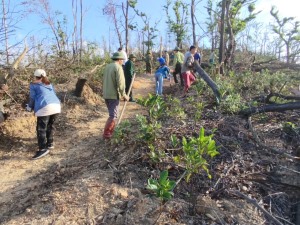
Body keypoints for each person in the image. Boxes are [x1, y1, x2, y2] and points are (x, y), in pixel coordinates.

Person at [26, 69, 61, 159]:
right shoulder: (49, 84)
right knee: (50, 125)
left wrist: (29, 107)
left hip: (45, 107)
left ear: (35, 76)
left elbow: (32, 98)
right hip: (56, 105)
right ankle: (50, 143)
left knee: (41, 129)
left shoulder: (33, 85)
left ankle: (42, 149)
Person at [102, 52, 129, 139]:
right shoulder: (118, 67)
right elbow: (121, 83)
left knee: (112, 114)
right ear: (120, 59)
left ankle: (110, 132)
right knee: (113, 115)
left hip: (106, 94)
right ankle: (107, 134)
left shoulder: (107, 66)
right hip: (113, 95)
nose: (123, 62)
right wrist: (124, 94)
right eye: (122, 60)